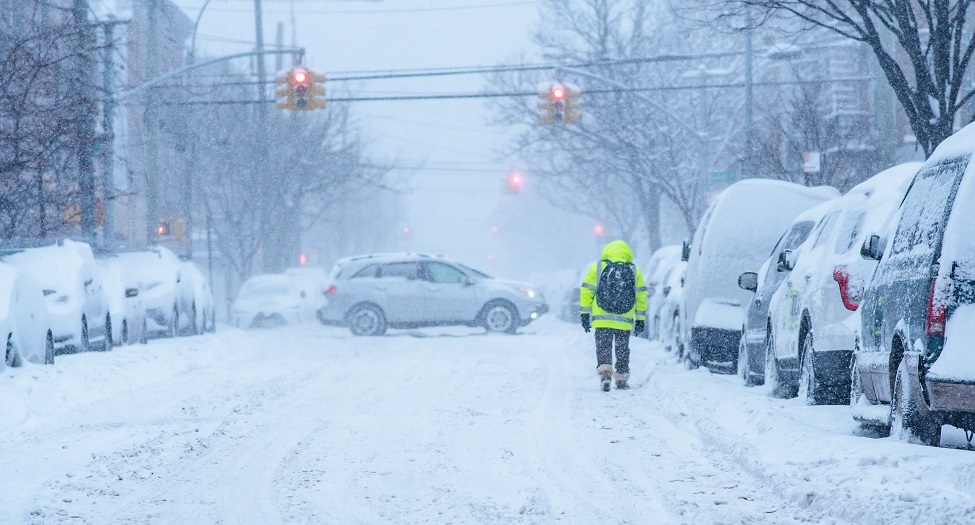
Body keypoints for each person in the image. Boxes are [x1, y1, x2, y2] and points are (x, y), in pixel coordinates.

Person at [579, 240, 648, 391]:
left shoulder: (598, 267)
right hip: (624, 320)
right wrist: (640, 319)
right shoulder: (634, 270)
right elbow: (641, 295)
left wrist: (585, 314)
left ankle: (605, 374)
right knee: (622, 348)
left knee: (603, 346)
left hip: (602, 319)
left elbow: (586, 290)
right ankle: (622, 378)